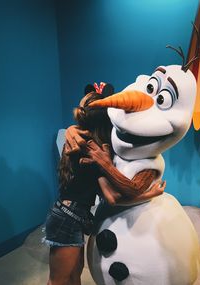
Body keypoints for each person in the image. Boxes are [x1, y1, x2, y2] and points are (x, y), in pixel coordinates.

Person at [44, 84, 166, 285]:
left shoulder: (86, 143)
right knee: (58, 280)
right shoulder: (90, 149)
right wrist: (150, 194)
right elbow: (111, 198)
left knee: (74, 277)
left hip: (71, 216)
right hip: (67, 218)